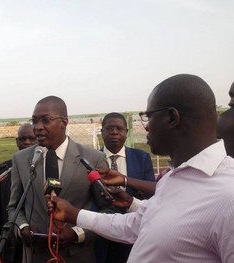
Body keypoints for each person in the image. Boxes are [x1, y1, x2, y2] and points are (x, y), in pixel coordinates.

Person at [48, 74, 234, 262]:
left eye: (148, 117)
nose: (145, 127)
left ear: (171, 117)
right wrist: (74, 213)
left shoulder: (228, 195)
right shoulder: (173, 178)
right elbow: (135, 224)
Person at [7, 96, 108, 263]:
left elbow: (107, 211)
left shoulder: (93, 159)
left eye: (46, 120)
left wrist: (77, 233)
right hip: (35, 256)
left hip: (76, 255)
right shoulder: (21, 159)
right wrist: (23, 228)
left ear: (64, 122)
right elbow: (14, 207)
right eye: (34, 121)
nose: (38, 127)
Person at [96, 112, 155, 263]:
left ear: (126, 133)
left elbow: (151, 193)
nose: (114, 132)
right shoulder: (92, 158)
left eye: (119, 128)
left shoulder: (142, 158)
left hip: (133, 230)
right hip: (100, 232)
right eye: (109, 128)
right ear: (102, 132)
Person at [0, 123, 37, 262]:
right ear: (16, 142)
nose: (27, 142)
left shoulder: (48, 168)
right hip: (12, 245)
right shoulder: (3, 170)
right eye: (22, 139)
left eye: (31, 138)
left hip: (38, 243)